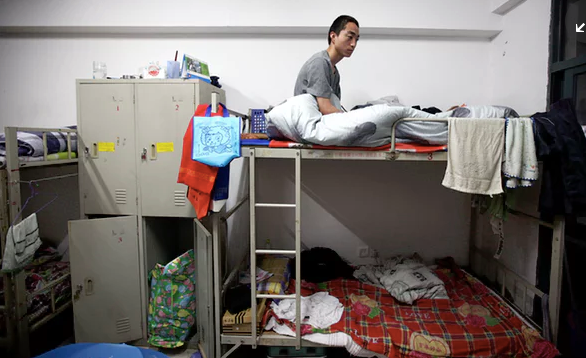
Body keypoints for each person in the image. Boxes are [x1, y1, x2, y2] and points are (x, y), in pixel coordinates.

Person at [294, 15, 360, 115]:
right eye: (350, 37)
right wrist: (350, 118)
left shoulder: (334, 72)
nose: (353, 44)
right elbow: (325, 109)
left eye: (356, 39)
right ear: (333, 36)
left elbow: (334, 106)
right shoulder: (319, 62)